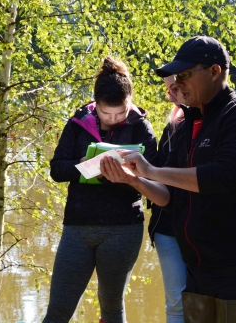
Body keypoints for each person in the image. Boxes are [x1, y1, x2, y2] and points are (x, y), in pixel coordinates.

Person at [100, 36, 236, 322]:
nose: (177, 83)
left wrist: (151, 171)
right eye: (175, 76)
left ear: (215, 71)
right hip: (196, 268)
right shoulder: (185, 126)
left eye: (185, 74)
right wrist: (134, 180)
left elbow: (225, 176)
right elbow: (171, 198)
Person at [44, 57, 157, 323]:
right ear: (96, 105)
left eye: (121, 113)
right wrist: (81, 166)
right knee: (59, 307)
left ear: (130, 101)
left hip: (123, 227)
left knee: (111, 306)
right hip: (78, 226)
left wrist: (132, 174)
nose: (114, 119)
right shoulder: (78, 122)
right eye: (107, 114)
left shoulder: (140, 126)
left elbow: (157, 175)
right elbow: (57, 169)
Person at [147, 75, 187, 323]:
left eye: (175, 89)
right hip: (167, 228)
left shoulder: (222, 122)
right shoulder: (171, 127)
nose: (169, 95)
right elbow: (158, 175)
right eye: (168, 89)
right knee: (175, 303)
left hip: (205, 229)